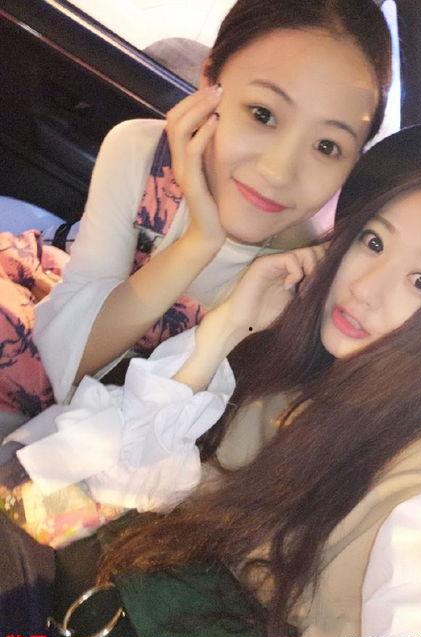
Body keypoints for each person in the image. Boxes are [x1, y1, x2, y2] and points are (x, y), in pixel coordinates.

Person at [37, 123, 421, 637]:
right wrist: (227, 327)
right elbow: (80, 474)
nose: (364, 288)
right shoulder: (292, 378)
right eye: (373, 242)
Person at [26, 0, 391, 415]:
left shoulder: (304, 272)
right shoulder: (142, 156)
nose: (278, 171)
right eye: (263, 114)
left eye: (327, 146)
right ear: (209, 83)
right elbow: (57, 364)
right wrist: (199, 242)